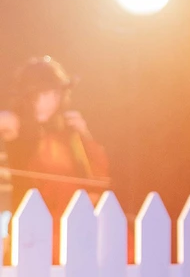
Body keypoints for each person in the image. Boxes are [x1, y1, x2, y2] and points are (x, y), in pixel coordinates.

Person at [0, 56, 109, 232]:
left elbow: (98, 178)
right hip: (28, 223)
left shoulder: (67, 130)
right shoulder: (14, 123)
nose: (52, 100)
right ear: (28, 96)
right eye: (44, 94)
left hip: (69, 224)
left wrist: (85, 135)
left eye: (56, 93)